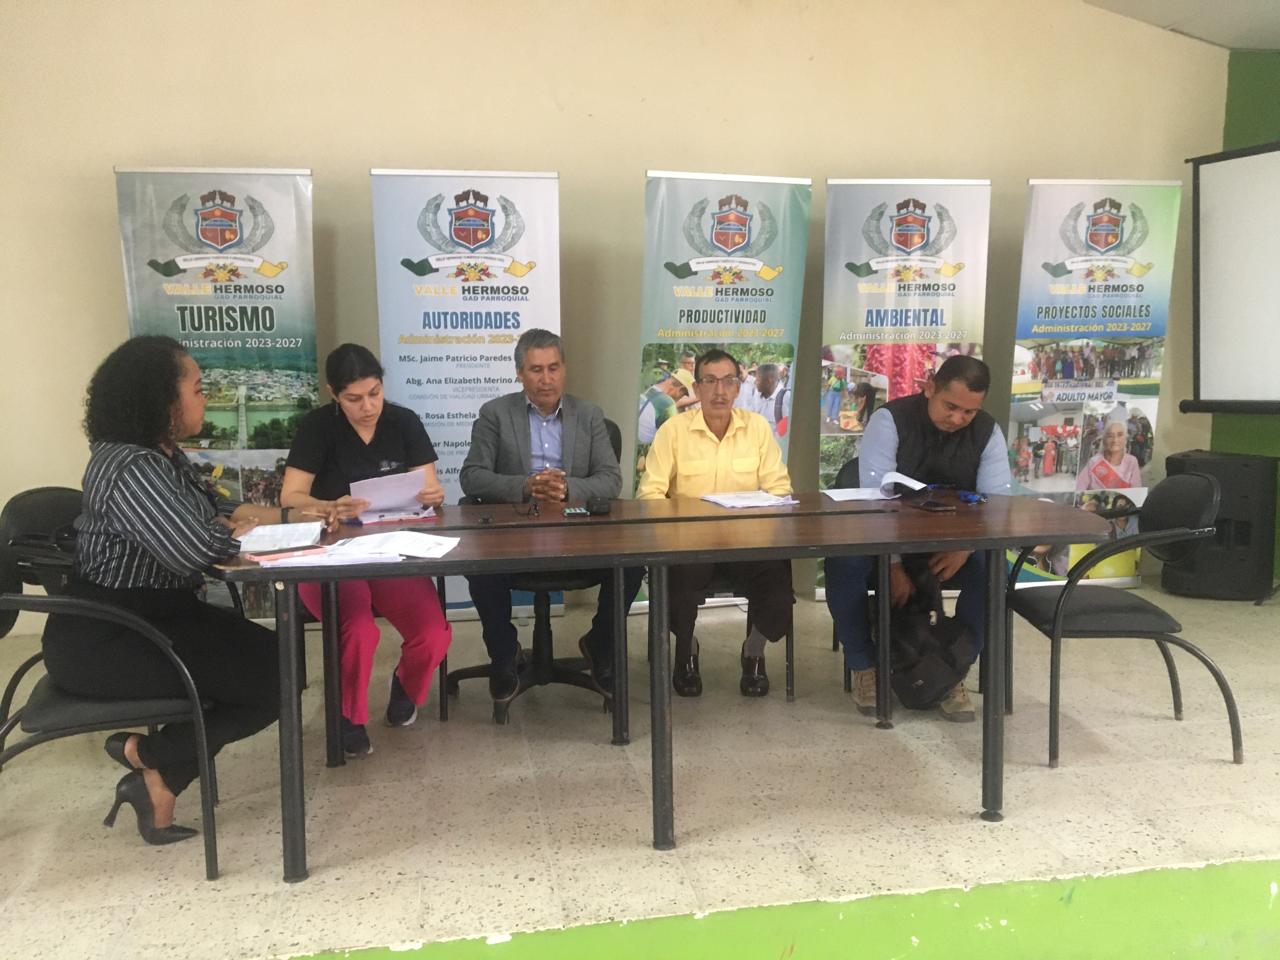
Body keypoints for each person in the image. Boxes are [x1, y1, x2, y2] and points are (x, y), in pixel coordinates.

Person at [41, 336, 302, 845]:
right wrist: (229, 531)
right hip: (106, 637)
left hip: (157, 617)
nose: (206, 399)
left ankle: (154, 772)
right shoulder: (130, 468)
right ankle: (152, 763)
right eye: (198, 389)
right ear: (162, 400)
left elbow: (213, 516)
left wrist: (273, 519)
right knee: (274, 676)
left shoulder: (161, 457)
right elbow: (192, 550)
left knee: (281, 660)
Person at [281, 343, 452, 757]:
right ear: (333, 394)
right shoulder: (318, 427)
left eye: (374, 393)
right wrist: (328, 506)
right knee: (357, 629)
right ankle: (348, 715)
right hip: (331, 552)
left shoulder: (403, 422)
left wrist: (433, 495)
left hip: (391, 548)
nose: (368, 407)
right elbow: (290, 497)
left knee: (432, 633)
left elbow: (428, 486)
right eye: (354, 399)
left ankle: (406, 686)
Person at [459, 329, 644, 705]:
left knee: (631, 566)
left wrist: (565, 489)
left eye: (553, 368)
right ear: (519, 373)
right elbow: (472, 476)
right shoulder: (495, 414)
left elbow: (611, 479)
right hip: (515, 532)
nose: (546, 379)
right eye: (536, 369)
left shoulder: (589, 415)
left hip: (577, 531)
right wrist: (527, 486)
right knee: (482, 567)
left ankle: (600, 644)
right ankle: (504, 654)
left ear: (564, 370)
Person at [823, 356, 1013, 721]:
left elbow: (997, 506)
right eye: (950, 406)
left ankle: (951, 667)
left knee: (993, 570)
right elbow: (876, 502)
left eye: (969, 412)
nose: (958, 419)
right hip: (883, 537)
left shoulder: (988, 432)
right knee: (844, 562)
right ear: (930, 388)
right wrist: (892, 565)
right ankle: (864, 664)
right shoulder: (890, 421)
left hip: (949, 544)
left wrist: (966, 548)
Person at [636, 348, 794, 698]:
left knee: (778, 582)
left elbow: (780, 489)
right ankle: (686, 650)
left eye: (728, 381)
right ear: (697, 388)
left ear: (738, 387)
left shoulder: (756, 428)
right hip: (690, 545)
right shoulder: (674, 431)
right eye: (709, 381)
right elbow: (650, 494)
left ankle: (753, 651)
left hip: (747, 543)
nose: (719, 390)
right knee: (678, 584)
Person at [1076, 419, 1141, 491]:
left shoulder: (1132, 462)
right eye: (1110, 436)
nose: (1115, 440)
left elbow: (1136, 491)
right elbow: (1079, 488)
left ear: (1125, 439)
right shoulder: (1094, 462)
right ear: (1104, 440)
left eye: (1120, 435)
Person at [638, 368, 695, 443]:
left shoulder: (651, 390)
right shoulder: (668, 404)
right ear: (681, 389)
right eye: (684, 394)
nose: (681, 397)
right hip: (644, 448)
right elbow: (677, 438)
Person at [736, 362, 792, 437]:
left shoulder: (785, 398)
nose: (755, 382)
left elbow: (786, 433)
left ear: (769, 380)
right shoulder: (758, 395)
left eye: (758, 379)